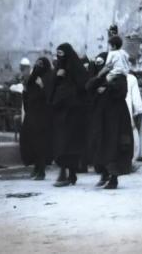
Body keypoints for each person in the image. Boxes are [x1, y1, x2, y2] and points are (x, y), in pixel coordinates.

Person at [86, 36, 134, 189]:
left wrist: (106, 88)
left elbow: (120, 92)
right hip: (103, 117)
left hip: (116, 118)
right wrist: (99, 79)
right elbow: (89, 88)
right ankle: (105, 174)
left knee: (113, 145)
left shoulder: (119, 79)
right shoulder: (104, 77)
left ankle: (113, 178)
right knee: (102, 143)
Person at [49, 43, 89, 187]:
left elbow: (84, 85)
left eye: (62, 54)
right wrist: (57, 76)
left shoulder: (76, 68)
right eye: (57, 54)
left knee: (70, 143)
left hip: (74, 113)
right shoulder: (59, 69)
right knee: (61, 142)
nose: (60, 58)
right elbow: (51, 88)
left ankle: (69, 173)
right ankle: (64, 172)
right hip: (60, 112)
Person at [20, 57, 54, 180]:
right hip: (32, 116)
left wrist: (43, 86)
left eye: (41, 65)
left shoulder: (48, 78)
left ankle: (41, 170)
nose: (38, 67)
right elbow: (27, 100)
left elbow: (50, 97)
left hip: (43, 117)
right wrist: (25, 91)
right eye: (37, 64)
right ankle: (36, 166)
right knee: (30, 142)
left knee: (41, 144)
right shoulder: (32, 80)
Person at [125, 65, 142, 168]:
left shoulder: (109, 76)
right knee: (131, 135)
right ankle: (130, 161)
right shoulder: (131, 79)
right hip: (127, 111)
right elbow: (136, 100)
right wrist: (138, 111)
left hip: (111, 111)